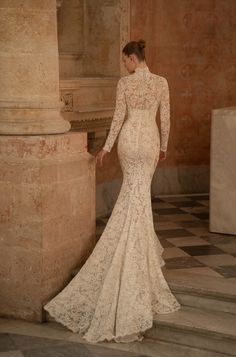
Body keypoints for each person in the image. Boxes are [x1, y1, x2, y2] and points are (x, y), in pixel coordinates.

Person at [44, 39, 181, 344]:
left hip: (129, 141)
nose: (124, 66)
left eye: (125, 61)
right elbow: (166, 118)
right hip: (147, 141)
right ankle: (136, 252)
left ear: (134, 58)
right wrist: (163, 147)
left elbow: (119, 118)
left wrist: (106, 147)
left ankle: (131, 246)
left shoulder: (124, 85)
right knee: (139, 197)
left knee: (132, 195)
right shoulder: (161, 83)